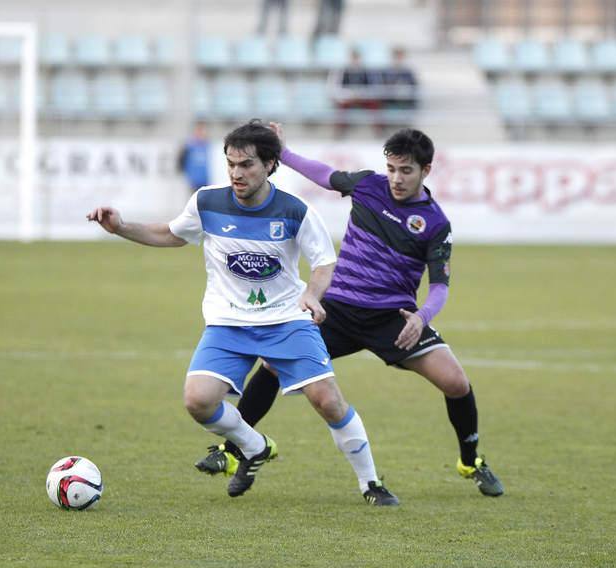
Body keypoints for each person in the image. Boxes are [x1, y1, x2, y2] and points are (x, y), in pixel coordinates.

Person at [88, 120, 398, 506]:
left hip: (286, 318)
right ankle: (254, 446)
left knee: (327, 400)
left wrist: (314, 296)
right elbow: (170, 234)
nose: (237, 173)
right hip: (228, 323)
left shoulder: (295, 211)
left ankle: (370, 484)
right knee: (197, 401)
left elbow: (324, 265)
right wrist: (120, 227)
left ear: (270, 164)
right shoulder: (207, 202)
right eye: (231, 164)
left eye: (247, 164)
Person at [195, 123, 505, 497]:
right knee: (274, 365)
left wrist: (422, 317)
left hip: (392, 318)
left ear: (427, 170)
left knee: (455, 381)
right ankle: (235, 450)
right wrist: (285, 152)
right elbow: (324, 175)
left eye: (406, 171)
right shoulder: (368, 185)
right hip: (337, 308)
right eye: (392, 168)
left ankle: (470, 461)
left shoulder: (435, 223)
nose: (396, 178)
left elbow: (440, 286)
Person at [177, 122, 210, 193]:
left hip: (205, 179)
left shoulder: (208, 145)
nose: (202, 133)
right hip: (193, 180)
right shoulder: (188, 146)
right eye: (199, 131)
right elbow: (181, 161)